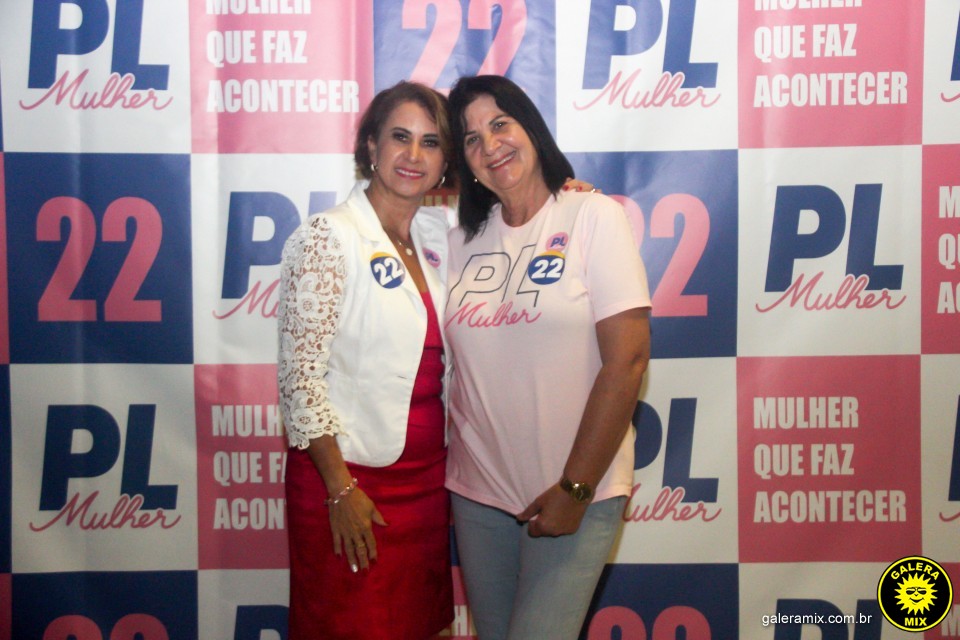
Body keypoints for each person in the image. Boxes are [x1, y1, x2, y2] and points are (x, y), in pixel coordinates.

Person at [443, 74, 653, 639]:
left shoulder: (593, 216)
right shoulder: (456, 241)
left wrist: (575, 489)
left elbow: (628, 362)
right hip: (478, 495)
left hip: (575, 491)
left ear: (531, 128)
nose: (490, 145)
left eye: (500, 124)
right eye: (470, 138)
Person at [277, 80, 458, 640]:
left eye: (431, 142)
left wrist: (566, 197)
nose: (414, 155)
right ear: (372, 146)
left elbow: (519, 225)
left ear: (445, 161)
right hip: (348, 482)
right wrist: (340, 489)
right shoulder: (327, 236)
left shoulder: (441, 237)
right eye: (400, 137)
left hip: (428, 485)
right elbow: (300, 380)